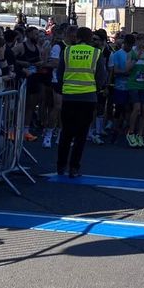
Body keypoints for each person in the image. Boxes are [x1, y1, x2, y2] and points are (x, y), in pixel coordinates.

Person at [54, 27, 107, 176]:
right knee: (81, 135)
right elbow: (101, 77)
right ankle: (74, 167)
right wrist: (95, 89)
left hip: (69, 96)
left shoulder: (67, 51)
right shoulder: (96, 53)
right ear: (90, 38)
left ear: (77, 37)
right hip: (88, 97)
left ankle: (60, 166)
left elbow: (59, 73)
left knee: (66, 133)